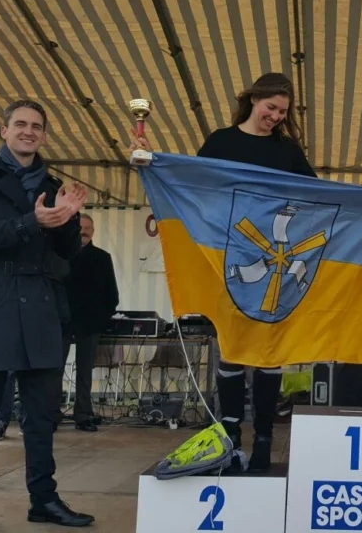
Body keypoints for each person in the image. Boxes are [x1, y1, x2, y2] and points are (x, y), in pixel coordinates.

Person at [130, 72, 313, 473]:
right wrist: (153, 161)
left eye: (282, 112)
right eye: (271, 108)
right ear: (253, 99)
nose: (276, 117)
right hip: (230, 260)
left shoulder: (288, 150)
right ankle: (230, 435)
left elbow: (314, 194)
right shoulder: (221, 141)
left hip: (274, 269)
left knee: (268, 354)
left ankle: (263, 436)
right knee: (229, 349)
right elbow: (190, 182)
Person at [0, 100, 92, 532]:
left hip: (40, 300)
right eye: (20, 124)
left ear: (45, 135)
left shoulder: (52, 185)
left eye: (36, 126)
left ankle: (44, 500)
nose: (28, 131)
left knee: (41, 412)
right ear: (4, 130)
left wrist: (70, 221)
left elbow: (66, 254)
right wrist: (32, 221)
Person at [63, 213, 120, 432]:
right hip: (62, 321)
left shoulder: (102, 257)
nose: (84, 231)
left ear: (93, 231)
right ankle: (50, 414)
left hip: (90, 322)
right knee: (55, 369)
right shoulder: (61, 255)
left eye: (88, 228)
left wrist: (102, 317)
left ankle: (83, 414)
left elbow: (111, 294)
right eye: (80, 227)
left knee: (85, 370)